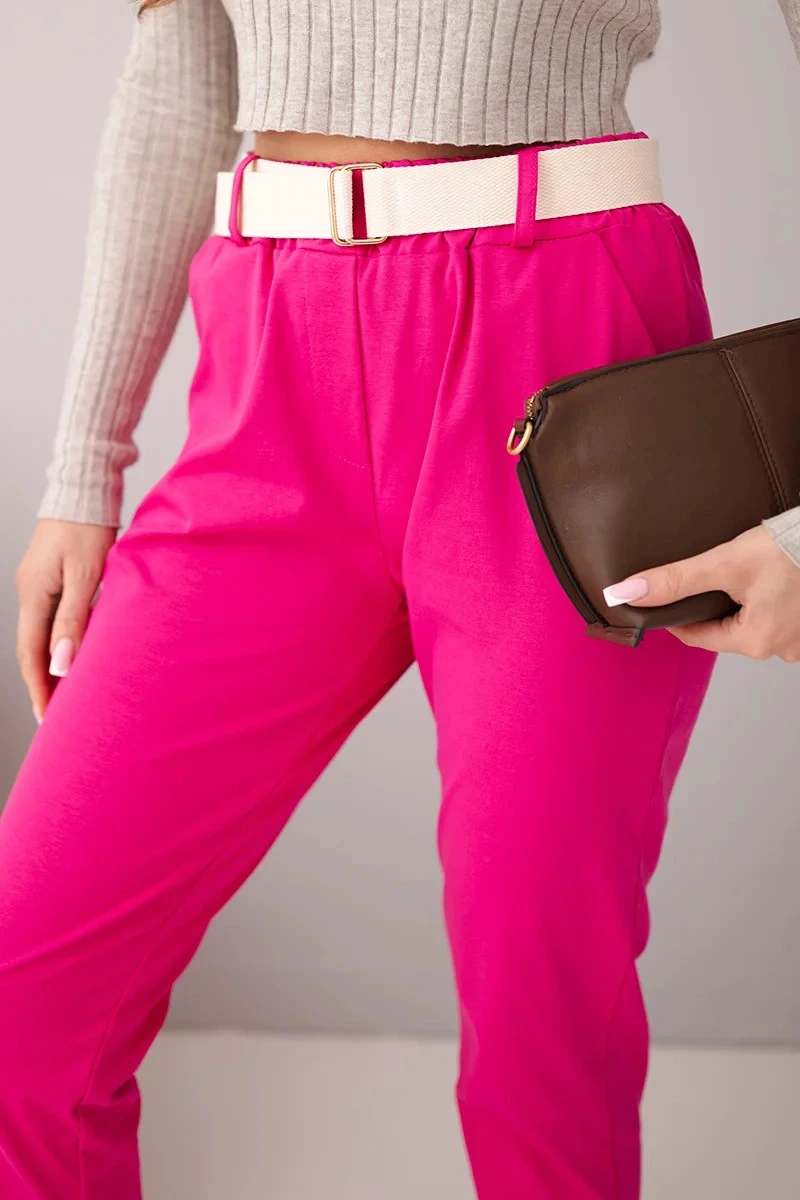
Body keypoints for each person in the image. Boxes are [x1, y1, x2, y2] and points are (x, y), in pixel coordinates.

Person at [3, 2, 800, 1198]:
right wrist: (82, 470)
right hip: (267, 367)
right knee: (27, 995)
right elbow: (181, 73)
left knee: (539, 1034)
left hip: (565, 376)